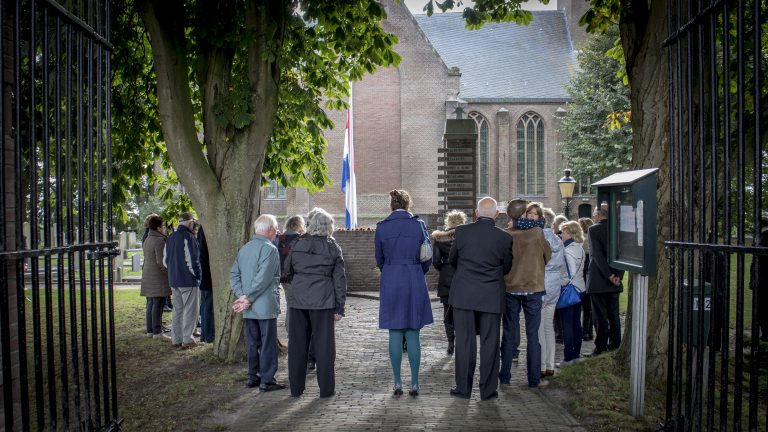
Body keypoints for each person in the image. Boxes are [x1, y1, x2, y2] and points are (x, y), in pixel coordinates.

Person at [449, 197, 513, 400]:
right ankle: (487, 390)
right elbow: (507, 267)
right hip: (491, 294)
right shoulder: (504, 238)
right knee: (490, 342)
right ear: (496, 214)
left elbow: (452, 260)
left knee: (465, 341)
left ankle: (463, 388)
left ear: (476, 213)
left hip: (464, 293)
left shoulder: (461, 232)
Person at [283, 209, 346, 398]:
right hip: (323, 301)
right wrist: (340, 307)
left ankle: (296, 389)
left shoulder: (297, 244)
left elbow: (287, 270)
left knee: (297, 346)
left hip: (298, 300)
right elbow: (339, 280)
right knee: (325, 347)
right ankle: (326, 390)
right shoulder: (333, 248)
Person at [376, 190, 433, 397]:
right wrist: (416, 270)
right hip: (414, 277)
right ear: (408, 204)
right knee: (413, 333)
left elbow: (379, 259)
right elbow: (428, 257)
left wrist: (391, 269)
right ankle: (415, 383)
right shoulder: (418, 225)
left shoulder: (382, 227)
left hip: (391, 278)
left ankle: (397, 382)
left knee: (394, 332)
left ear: (391, 205)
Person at [230, 214, 286, 392]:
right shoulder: (270, 249)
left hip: (248, 305)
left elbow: (234, 275)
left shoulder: (244, 249)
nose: (277, 232)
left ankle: (253, 376)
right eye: (276, 229)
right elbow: (264, 278)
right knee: (267, 342)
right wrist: (248, 298)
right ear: (269, 230)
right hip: (264, 304)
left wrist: (242, 295)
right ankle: (267, 379)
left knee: (253, 342)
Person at [500, 199, 551, 389]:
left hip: (511, 288)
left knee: (509, 332)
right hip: (533, 287)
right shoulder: (536, 233)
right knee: (533, 335)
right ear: (523, 215)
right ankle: (533, 379)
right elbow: (548, 255)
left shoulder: (506, 234)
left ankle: (504, 376)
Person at [586, 206, 624, 355]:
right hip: (615, 279)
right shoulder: (619, 230)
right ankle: (615, 343)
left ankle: (600, 346)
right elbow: (624, 254)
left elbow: (596, 255)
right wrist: (618, 276)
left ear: (597, 216)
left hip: (599, 279)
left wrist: (609, 275)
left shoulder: (594, 230)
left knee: (600, 315)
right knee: (614, 314)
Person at [431, 210, 468, 355]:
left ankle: (450, 342)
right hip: (465, 278)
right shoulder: (467, 237)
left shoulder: (440, 239)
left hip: (446, 278)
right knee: (463, 311)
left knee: (447, 312)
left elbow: (435, 261)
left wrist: (444, 269)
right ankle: (462, 342)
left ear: (449, 221)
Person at [164, 212, 202, 349]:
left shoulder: (171, 237)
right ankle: (187, 339)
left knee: (178, 310)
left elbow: (165, 261)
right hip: (187, 280)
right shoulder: (189, 237)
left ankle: (176, 339)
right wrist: (197, 277)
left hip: (174, 279)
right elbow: (193, 261)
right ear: (190, 223)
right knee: (190, 311)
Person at [539, 206, 564, 378]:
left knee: (540, 327)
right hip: (555, 285)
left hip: (541, 283)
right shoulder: (558, 239)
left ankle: (541, 365)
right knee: (548, 326)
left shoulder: (539, 239)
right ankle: (549, 364)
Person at [559, 221, 586, 365]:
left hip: (570, 290)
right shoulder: (579, 249)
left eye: (563, 232)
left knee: (567, 325)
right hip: (580, 289)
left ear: (569, 233)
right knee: (576, 323)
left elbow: (569, 273)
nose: (561, 235)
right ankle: (576, 355)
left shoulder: (566, 250)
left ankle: (568, 357)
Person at [140, 214, 171, 340]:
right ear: (158, 227)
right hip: (157, 276)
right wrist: (168, 273)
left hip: (148, 274)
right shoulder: (159, 240)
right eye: (163, 226)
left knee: (151, 303)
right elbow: (161, 262)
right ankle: (157, 332)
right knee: (158, 303)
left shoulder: (148, 238)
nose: (164, 228)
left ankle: (151, 330)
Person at [750, 214, 768, 340]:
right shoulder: (760, 237)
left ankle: (765, 332)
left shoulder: (764, 237)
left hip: (763, 277)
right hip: (760, 277)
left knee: (762, 306)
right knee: (760, 306)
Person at [197, 224, 214, 343]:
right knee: (208, 305)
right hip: (207, 272)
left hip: (204, 272)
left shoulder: (202, 229)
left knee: (205, 304)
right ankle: (208, 335)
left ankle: (204, 334)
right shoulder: (207, 228)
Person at [578, 217, 595, 341]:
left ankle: (583, 332)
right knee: (589, 306)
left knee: (582, 306)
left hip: (582, 274)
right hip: (591, 274)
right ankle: (588, 332)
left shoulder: (581, 241)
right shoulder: (592, 239)